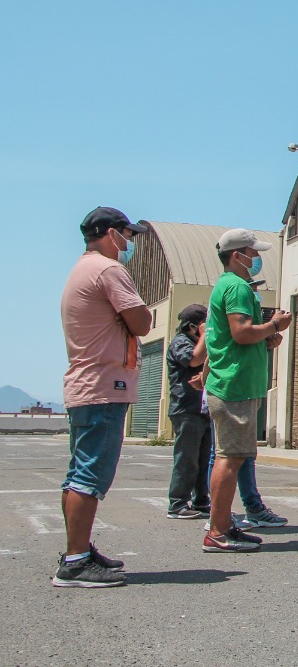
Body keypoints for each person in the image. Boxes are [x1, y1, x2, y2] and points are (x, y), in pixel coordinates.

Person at [54, 207, 150, 587]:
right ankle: (75, 562)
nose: (130, 244)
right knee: (89, 475)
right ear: (111, 234)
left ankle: (77, 550)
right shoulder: (108, 270)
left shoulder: (82, 268)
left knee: (79, 473)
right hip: (102, 387)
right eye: (129, 235)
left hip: (86, 385)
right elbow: (142, 321)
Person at [203, 228, 291, 553]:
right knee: (230, 458)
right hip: (235, 387)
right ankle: (217, 531)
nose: (257, 259)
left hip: (235, 383)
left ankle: (223, 525)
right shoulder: (238, 287)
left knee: (233, 457)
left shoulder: (229, 286)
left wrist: (266, 339)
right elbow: (240, 332)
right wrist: (274, 325)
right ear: (238, 255)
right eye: (253, 253)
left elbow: (235, 337)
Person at [166, 304, 211, 519]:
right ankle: (177, 504)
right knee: (187, 459)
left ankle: (201, 500)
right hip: (186, 409)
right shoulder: (180, 342)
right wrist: (204, 335)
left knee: (203, 461)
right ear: (193, 327)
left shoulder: (201, 341)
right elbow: (194, 359)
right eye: (205, 324)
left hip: (203, 408)